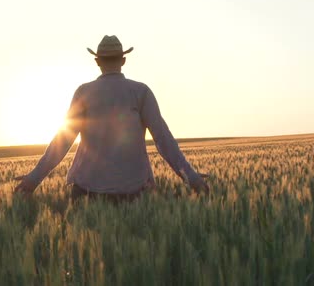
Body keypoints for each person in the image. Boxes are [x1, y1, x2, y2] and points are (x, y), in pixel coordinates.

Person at [14, 35, 210, 201]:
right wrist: (190, 177)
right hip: (135, 192)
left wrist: (33, 179)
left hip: (87, 191)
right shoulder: (140, 92)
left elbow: (62, 141)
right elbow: (163, 139)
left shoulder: (84, 92)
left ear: (97, 61)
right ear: (123, 60)